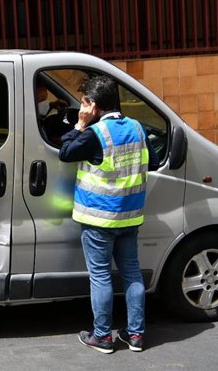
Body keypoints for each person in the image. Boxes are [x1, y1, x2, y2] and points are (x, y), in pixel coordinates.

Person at [58, 75, 159, 354]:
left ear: (92, 105)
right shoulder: (138, 128)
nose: (81, 108)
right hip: (130, 215)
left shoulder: (95, 133)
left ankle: (103, 336)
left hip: (99, 218)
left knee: (100, 276)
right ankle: (136, 335)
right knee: (132, 273)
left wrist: (79, 124)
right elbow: (153, 159)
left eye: (83, 103)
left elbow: (65, 152)